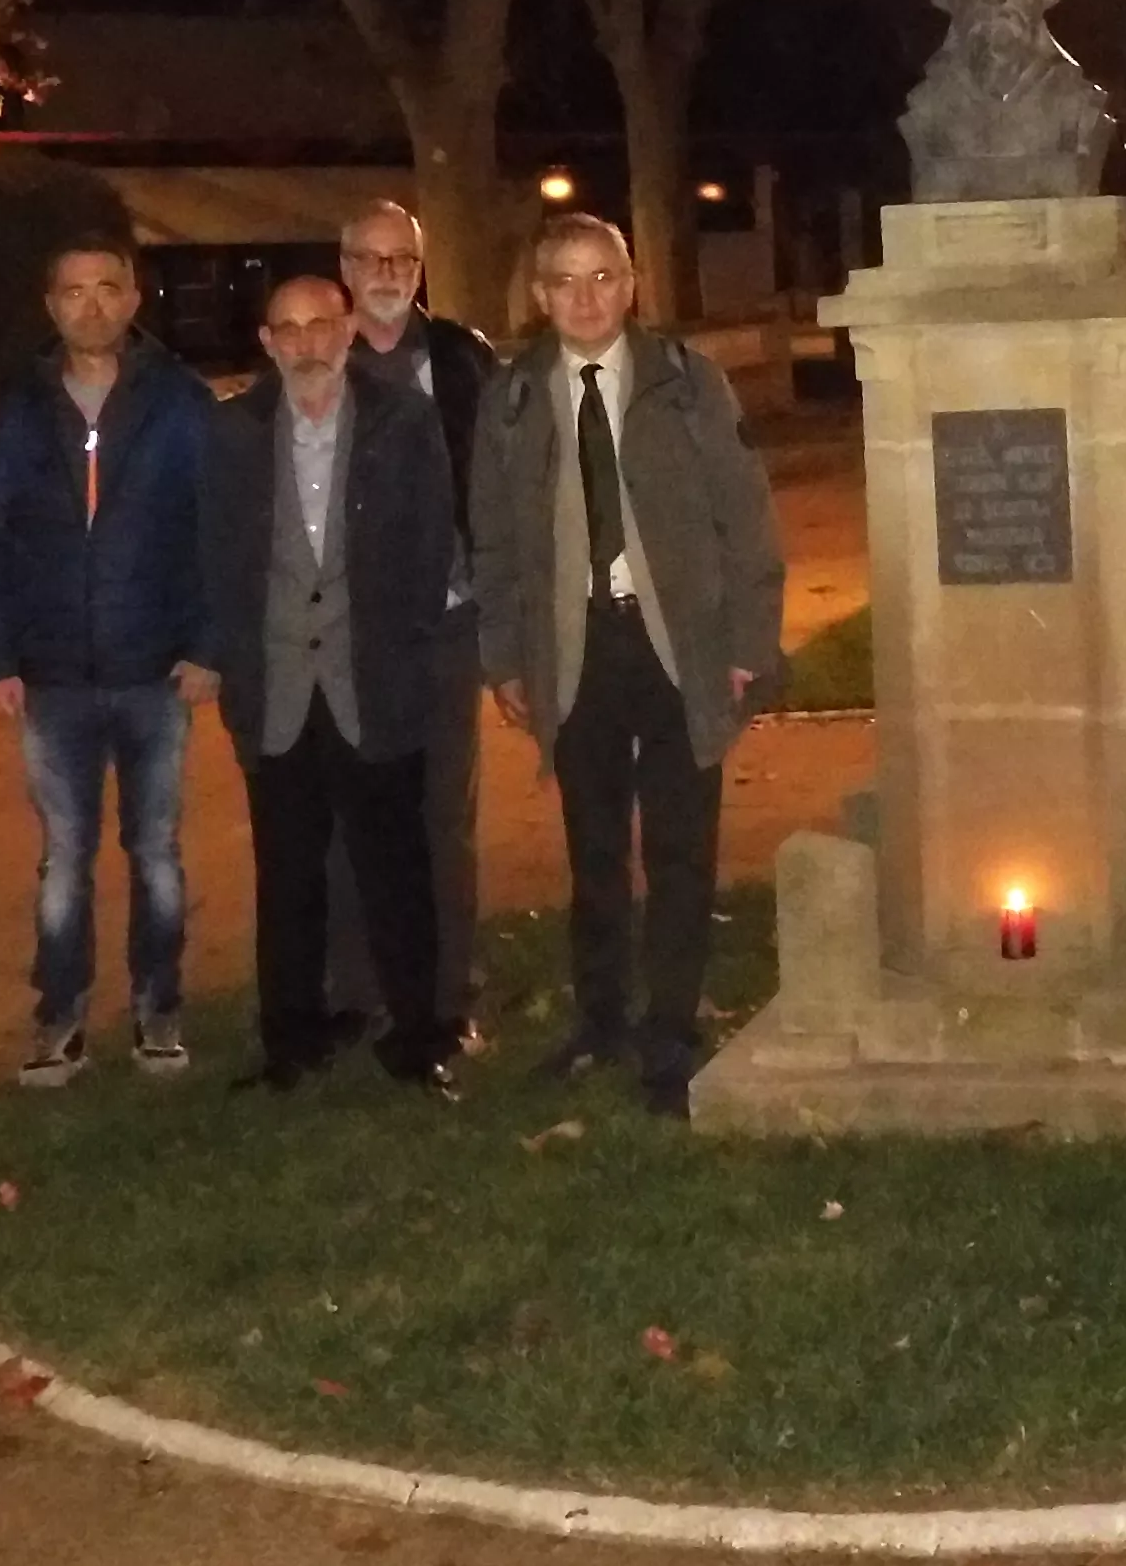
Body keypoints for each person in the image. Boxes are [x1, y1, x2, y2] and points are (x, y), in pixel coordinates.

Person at [471, 210, 785, 1121]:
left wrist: (746, 650)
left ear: (632, 281)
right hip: (575, 650)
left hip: (675, 645)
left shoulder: (688, 384)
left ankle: (671, 1033)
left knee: (683, 849)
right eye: (563, 281)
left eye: (601, 276)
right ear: (538, 296)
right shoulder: (515, 398)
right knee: (595, 849)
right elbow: (491, 539)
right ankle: (602, 1020)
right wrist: (505, 656)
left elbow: (747, 521)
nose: (585, 297)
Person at [0, 233, 216, 1087]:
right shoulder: (18, 408)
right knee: (63, 857)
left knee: (156, 851)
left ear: (135, 299)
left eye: (110, 287)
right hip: (53, 675)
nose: (93, 305)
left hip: (155, 671)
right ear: (50, 305)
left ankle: (159, 1004)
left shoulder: (181, 401)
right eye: (74, 291)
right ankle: (60, 1013)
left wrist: (207, 646)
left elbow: (215, 530)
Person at [200, 274, 461, 1092]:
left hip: (372, 681)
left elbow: (430, 543)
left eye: (321, 325)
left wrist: (403, 644)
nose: (307, 343)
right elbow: (215, 553)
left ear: (346, 331)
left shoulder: (404, 421)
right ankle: (290, 1041)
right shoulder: (233, 431)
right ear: (268, 343)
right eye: (289, 329)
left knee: (397, 869)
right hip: (276, 688)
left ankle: (420, 1038)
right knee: (287, 877)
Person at [333, 198, 495, 1042]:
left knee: (444, 817)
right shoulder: (320, 361)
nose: (389, 275)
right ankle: (358, 992)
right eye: (372, 259)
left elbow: (500, 490)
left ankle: (447, 994)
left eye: (403, 259)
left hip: (449, 628)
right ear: (346, 270)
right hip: (350, 635)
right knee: (354, 816)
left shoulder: (465, 361)